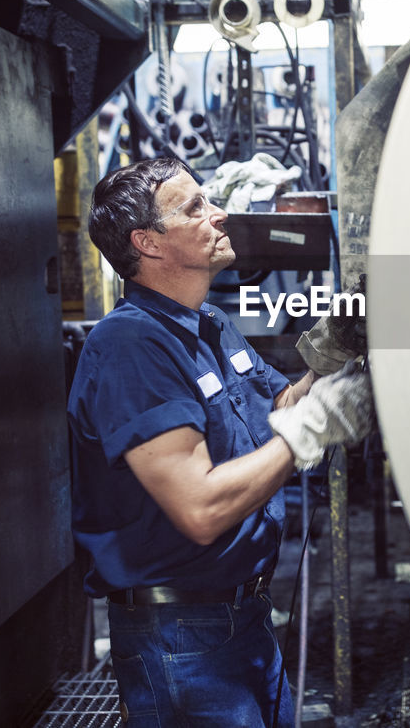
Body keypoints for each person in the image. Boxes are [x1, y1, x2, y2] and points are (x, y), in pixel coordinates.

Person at [67, 156, 373, 727]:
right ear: (148, 243)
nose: (220, 214)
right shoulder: (131, 348)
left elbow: (279, 408)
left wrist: (329, 352)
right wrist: (312, 429)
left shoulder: (209, 324)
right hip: (181, 639)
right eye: (195, 208)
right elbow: (201, 508)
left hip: (244, 616)